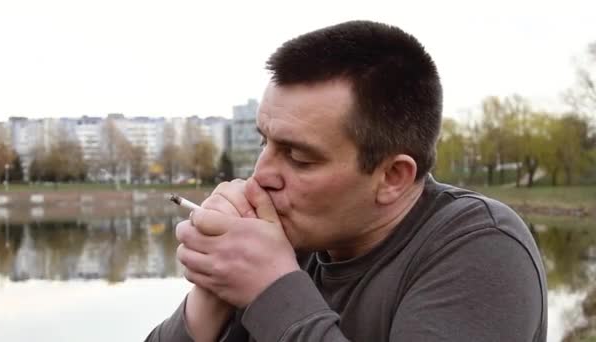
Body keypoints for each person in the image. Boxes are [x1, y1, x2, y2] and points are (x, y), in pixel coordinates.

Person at [145, 20, 547, 342]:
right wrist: (211, 300)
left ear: (392, 177)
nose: (261, 176)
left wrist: (271, 291)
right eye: (265, 142)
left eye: (299, 157)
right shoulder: (293, 240)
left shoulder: (481, 248)